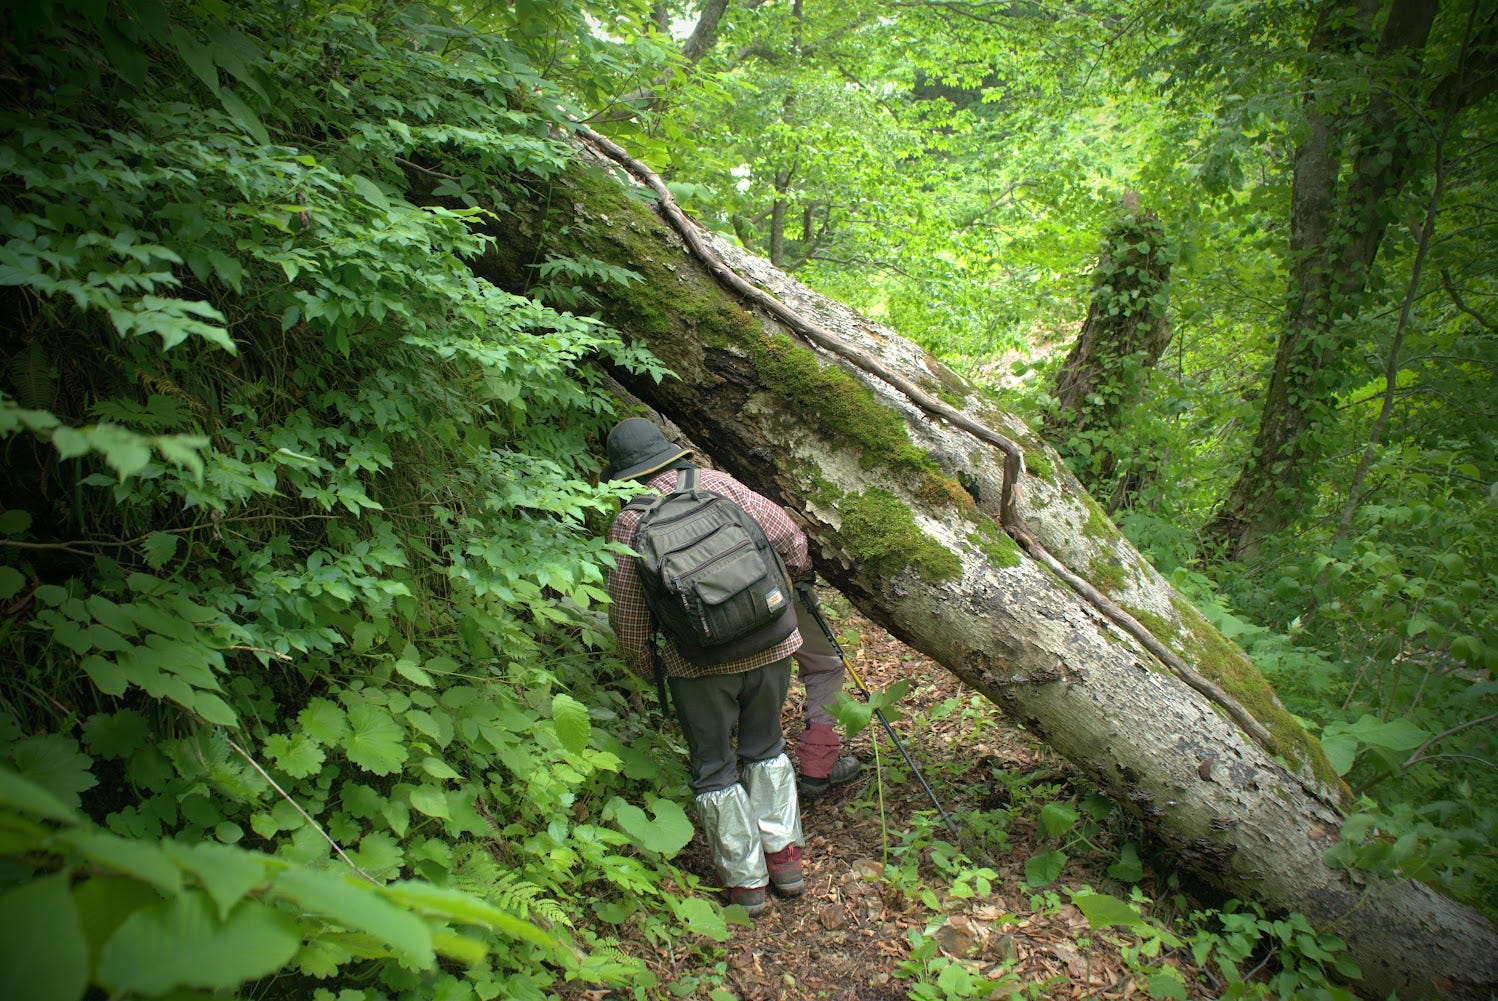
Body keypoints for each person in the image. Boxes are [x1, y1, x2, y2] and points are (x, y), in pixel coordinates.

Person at [603, 418, 808, 917]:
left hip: (697, 666)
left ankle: (746, 885)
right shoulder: (718, 484)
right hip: (771, 643)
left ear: (625, 474)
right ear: (669, 452)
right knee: (767, 745)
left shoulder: (630, 523)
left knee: (714, 767)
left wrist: (646, 664)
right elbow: (790, 538)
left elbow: (628, 616)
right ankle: (785, 861)